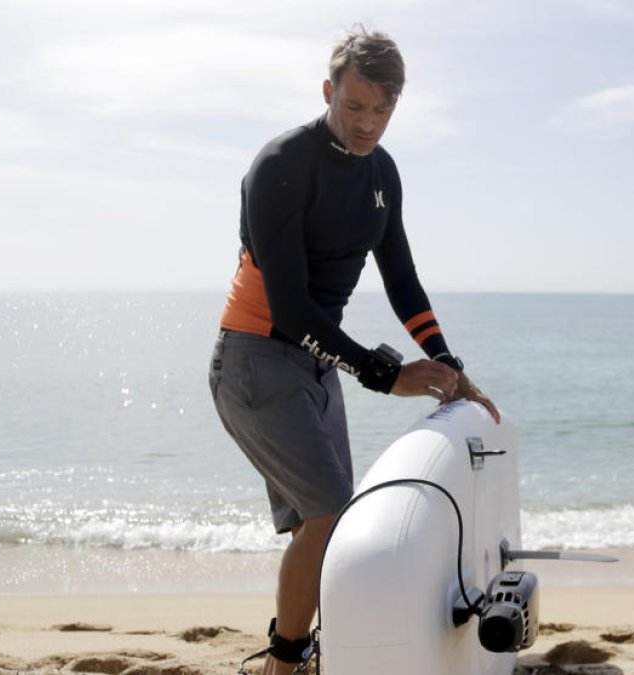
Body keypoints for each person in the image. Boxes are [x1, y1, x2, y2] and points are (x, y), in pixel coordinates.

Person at [208, 26, 499, 675]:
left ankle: (309, 651)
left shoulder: (382, 173)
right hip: (255, 357)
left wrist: (448, 362)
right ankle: (286, 663)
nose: (368, 124)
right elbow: (289, 307)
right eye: (354, 106)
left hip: (313, 361)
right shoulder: (281, 165)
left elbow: (400, 278)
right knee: (330, 515)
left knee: (323, 527)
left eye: (382, 110)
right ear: (328, 91)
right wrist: (384, 372)